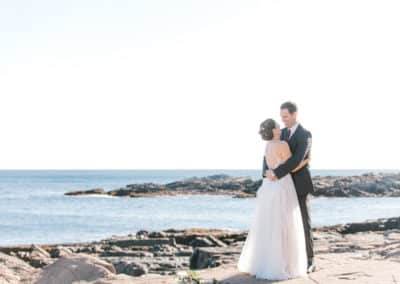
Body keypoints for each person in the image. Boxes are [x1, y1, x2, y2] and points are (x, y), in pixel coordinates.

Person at [237, 118, 308, 280]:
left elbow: (269, 166)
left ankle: (265, 261)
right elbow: (292, 165)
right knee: (285, 222)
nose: (280, 126)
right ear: (275, 130)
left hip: (269, 185)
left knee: (270, 223)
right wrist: (305, 161)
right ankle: (284, 263)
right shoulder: (282, 145)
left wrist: (272, 172)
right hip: (282, 184)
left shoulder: (268, 145)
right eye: (277, 125)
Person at [264, 101, 316, 273]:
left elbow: (296, 160)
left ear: (295, 114)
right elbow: (267, 154)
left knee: (303, 222)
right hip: (282, 187)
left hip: (299, 184)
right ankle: (289, 260)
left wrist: (276, 172)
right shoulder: (281, 133)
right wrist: (266, 172)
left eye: (286, 116)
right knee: (285, 224)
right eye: (282, 117)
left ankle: (310, 260)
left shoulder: (305, 135)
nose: (283, 120)